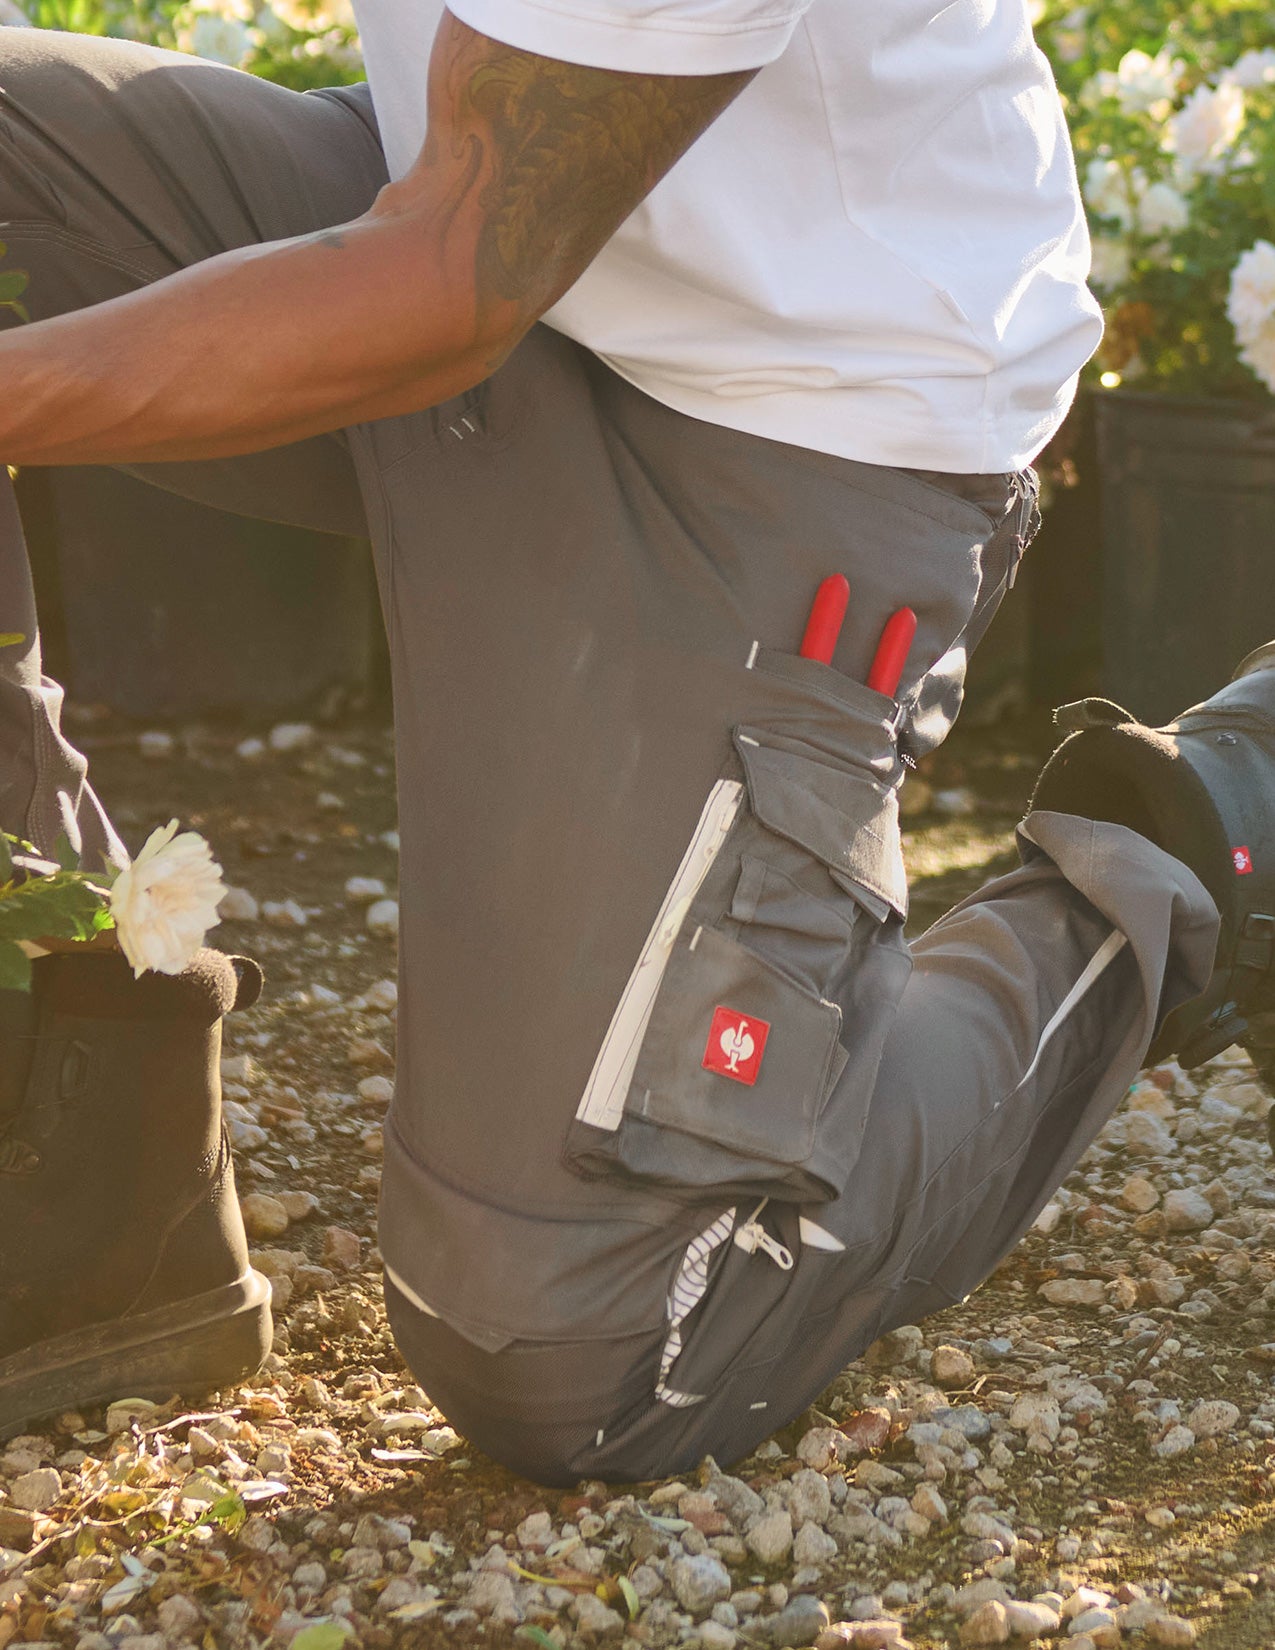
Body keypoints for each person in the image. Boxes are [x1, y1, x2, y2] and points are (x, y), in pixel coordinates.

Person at [1, 0, 1271, 1485]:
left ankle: (1206, 829)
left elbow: (456, 269)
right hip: (461, 226)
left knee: (586, 1341)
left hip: (784, 412)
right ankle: (80, 1140)